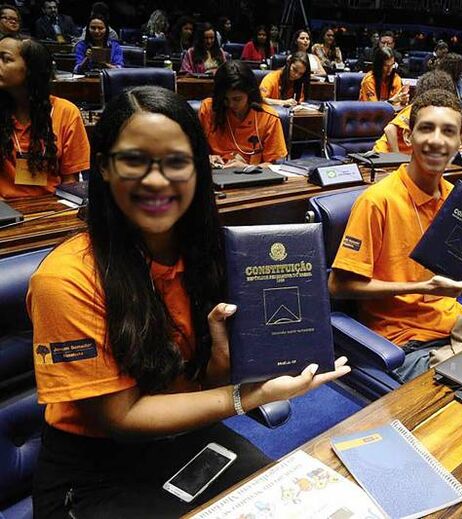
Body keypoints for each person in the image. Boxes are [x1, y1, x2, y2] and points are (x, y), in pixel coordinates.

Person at [29, 85, 349, 517]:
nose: (157, 180)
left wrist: (222, 360)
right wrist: (244, 397)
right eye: (134, 160)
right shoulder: (65, 278)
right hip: (94, 474)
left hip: (185, 439)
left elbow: (201, 382)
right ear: (103, 167)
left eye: (176, 161)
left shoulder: (211, 252)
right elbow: (120, 419)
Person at [329, 88, 462, 383]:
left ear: (461, 142)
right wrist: (423, 287)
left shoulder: (458, 201)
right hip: (405, 341)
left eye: (448, 131)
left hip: (457, 324)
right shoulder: (377, 201)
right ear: (408, 136)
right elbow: (338, 286)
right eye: (426, 128)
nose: (437, 140)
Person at [0, 37, 89, 199]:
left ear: (31, 69)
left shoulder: (66, 112)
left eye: (5, 59)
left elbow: (70, 182)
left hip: (50, 207)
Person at [199, 61, 287, 168]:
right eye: (225, 99)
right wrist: (206, 158)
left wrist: (247, 168)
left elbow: (275, 165)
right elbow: (191, 151)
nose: (231, 104)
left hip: (253, 178)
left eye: (237, 99)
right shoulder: (209, 109)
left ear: (250, 93)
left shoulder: (268, 117)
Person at [373, 70, 455, 154]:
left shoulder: (441, 111)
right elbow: (389, 129)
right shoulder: (416, 109)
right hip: (384, 153)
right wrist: (396, 157)